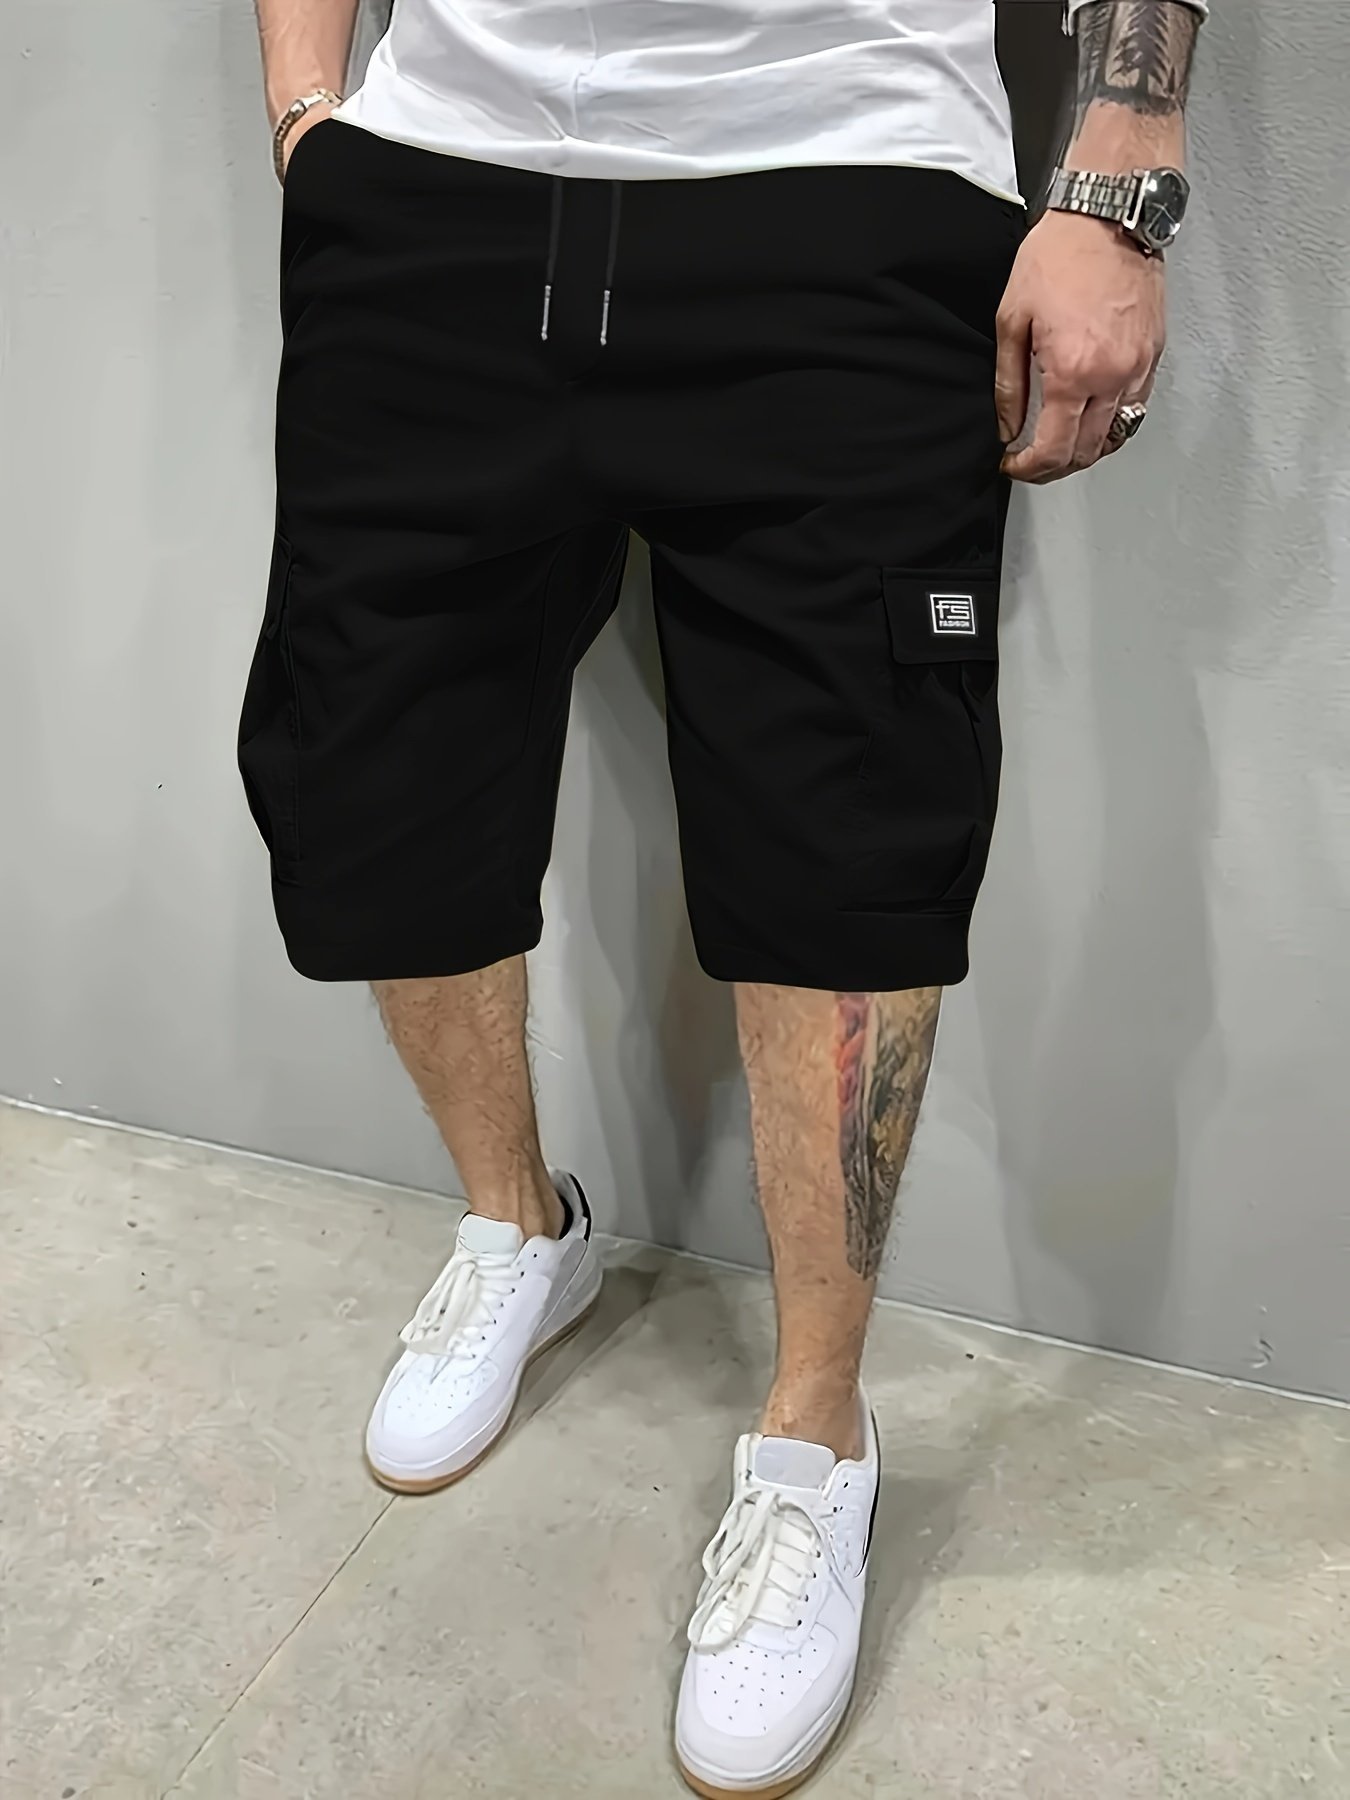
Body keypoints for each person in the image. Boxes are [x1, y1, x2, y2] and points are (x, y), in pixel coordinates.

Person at [239, 0, 1205, 1790]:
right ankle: (520, 1229)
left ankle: (815, 1437)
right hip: (434, 186)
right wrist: (309, 114)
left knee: (848, 849)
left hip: (843, 180)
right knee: (375, 785)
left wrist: (1118, 173)